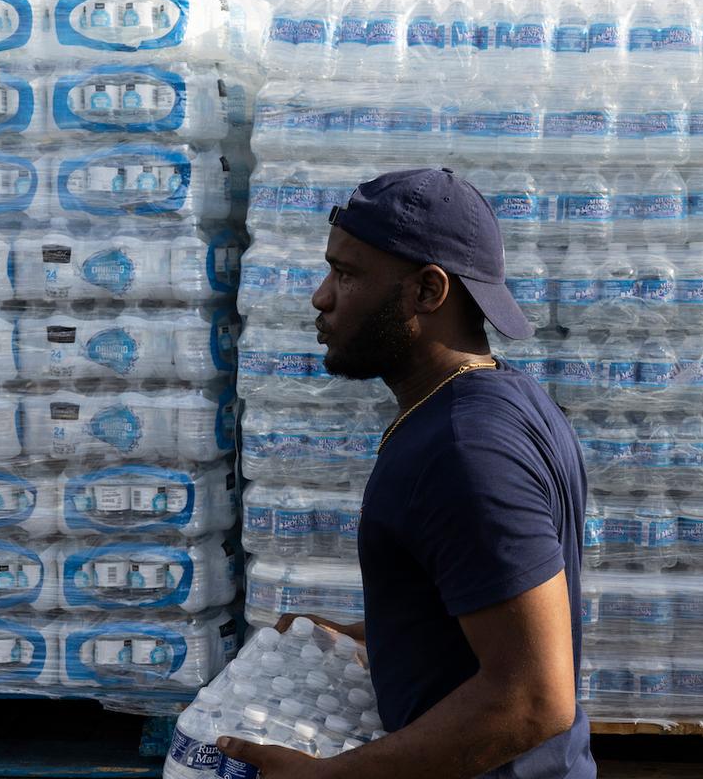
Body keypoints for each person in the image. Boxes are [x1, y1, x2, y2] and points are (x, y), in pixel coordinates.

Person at [217, 168, 595, 778]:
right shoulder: (492, 401)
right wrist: (376, 637)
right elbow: (480, 602)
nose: (321, 296)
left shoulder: (466, 451)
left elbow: (533, 701)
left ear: (427, 291)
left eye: (346, 274)